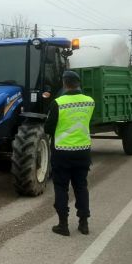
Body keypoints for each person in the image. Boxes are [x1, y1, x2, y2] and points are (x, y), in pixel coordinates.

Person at [44, 70, 95, 236]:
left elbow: (48, 128)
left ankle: (63, 225)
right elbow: (89, 122)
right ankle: (84, 224)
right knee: (81, 187)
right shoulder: (90, 101)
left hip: (62, 153)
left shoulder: (58, 103)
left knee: (61, 188)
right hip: (83, 152)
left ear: (65, 83)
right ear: (78, 83)